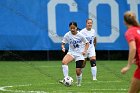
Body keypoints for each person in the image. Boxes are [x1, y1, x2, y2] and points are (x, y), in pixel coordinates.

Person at [60, 21, 89, 86]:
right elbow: (63, 43)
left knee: (78, 71)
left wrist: (85, 50)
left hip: (79, 54)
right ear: (69, 28)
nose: (72, 29)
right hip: (71, 53)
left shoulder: (80, 35)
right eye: (71, 28)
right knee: (64, 62)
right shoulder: (67, 34)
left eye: (74, 28)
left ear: (76, 27)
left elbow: (87, 43)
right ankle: (66, 78)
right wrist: (63, 47)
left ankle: (79, 84)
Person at [121, 11, 140, 93]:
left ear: (124, 21)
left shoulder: (129, 32)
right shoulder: (138, 29)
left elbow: (133, 48)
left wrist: (128, 66)